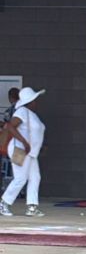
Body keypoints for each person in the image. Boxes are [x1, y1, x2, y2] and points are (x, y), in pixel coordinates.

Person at [0, 86, 46, 218]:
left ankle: (32, 206)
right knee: (20, 178)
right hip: (20, 149)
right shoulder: (22, 111)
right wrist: (25, 142)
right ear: (30, 101)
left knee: (35, 177)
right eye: (34, 100)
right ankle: (4, 203)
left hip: (31, 153)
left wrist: (38, 146)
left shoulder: (31, 114)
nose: (36, 102)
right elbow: (10, 126)